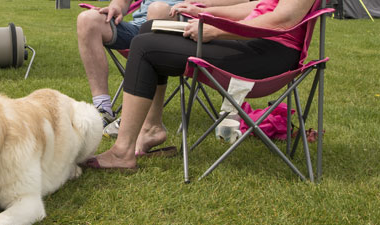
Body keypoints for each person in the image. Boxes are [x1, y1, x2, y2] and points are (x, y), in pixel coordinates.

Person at [83, 0, 317, 169]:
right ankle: (150, 128)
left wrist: (216, 30)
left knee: (145, 47)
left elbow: (284, 19)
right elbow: (259, 6)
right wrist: (204, 10)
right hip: (252, 41)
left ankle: (123, 152)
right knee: (148, 29)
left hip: (269, 54)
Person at [77, 0, 254, 135]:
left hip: (185, 28)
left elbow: (245, 3)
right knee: (88, 20)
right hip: (139, 26)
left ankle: (145, 120)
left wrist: (196, 4)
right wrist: (116, 6)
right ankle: (103, 109)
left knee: (158, 9)